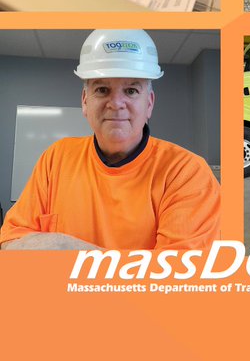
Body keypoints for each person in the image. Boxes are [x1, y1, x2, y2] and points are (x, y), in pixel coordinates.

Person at [0, 29, 219, 251]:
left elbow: (180, 277)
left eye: (131, 90)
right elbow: (10, 241)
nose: (115, 103)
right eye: (102, 89)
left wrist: (67, 248)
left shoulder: (186, 172)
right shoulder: (56, 158)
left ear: (149, 104)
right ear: (85, 101)